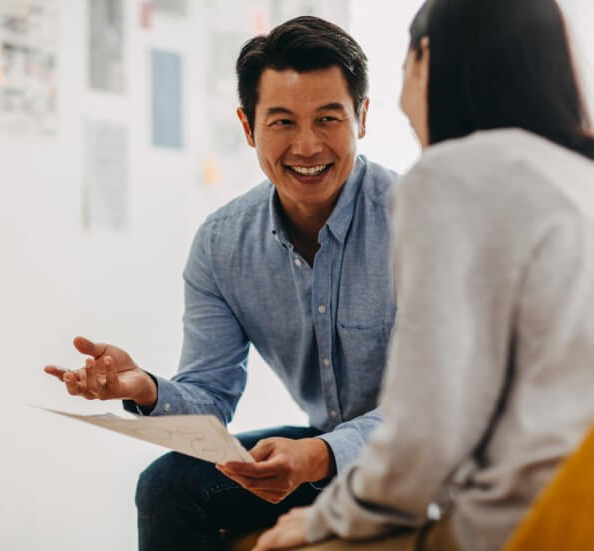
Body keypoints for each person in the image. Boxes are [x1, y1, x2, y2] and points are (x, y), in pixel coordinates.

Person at [44, 16, 398, 551]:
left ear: (362, 119)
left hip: (428, 456)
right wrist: (143, 387)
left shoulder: (422, 223)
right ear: (248, 126)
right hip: (328, 457)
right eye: (282, 122)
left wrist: (322, 455)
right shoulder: (222, 244)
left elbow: (443, 409)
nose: (307, 145)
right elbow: (210, 399)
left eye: (329, 118)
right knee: (166, 487)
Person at [252, 0, 594, 550]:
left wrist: (324, 520)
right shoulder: (580, 175)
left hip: (529, 521)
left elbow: (425, 432)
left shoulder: (448, 178)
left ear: (425, 56)